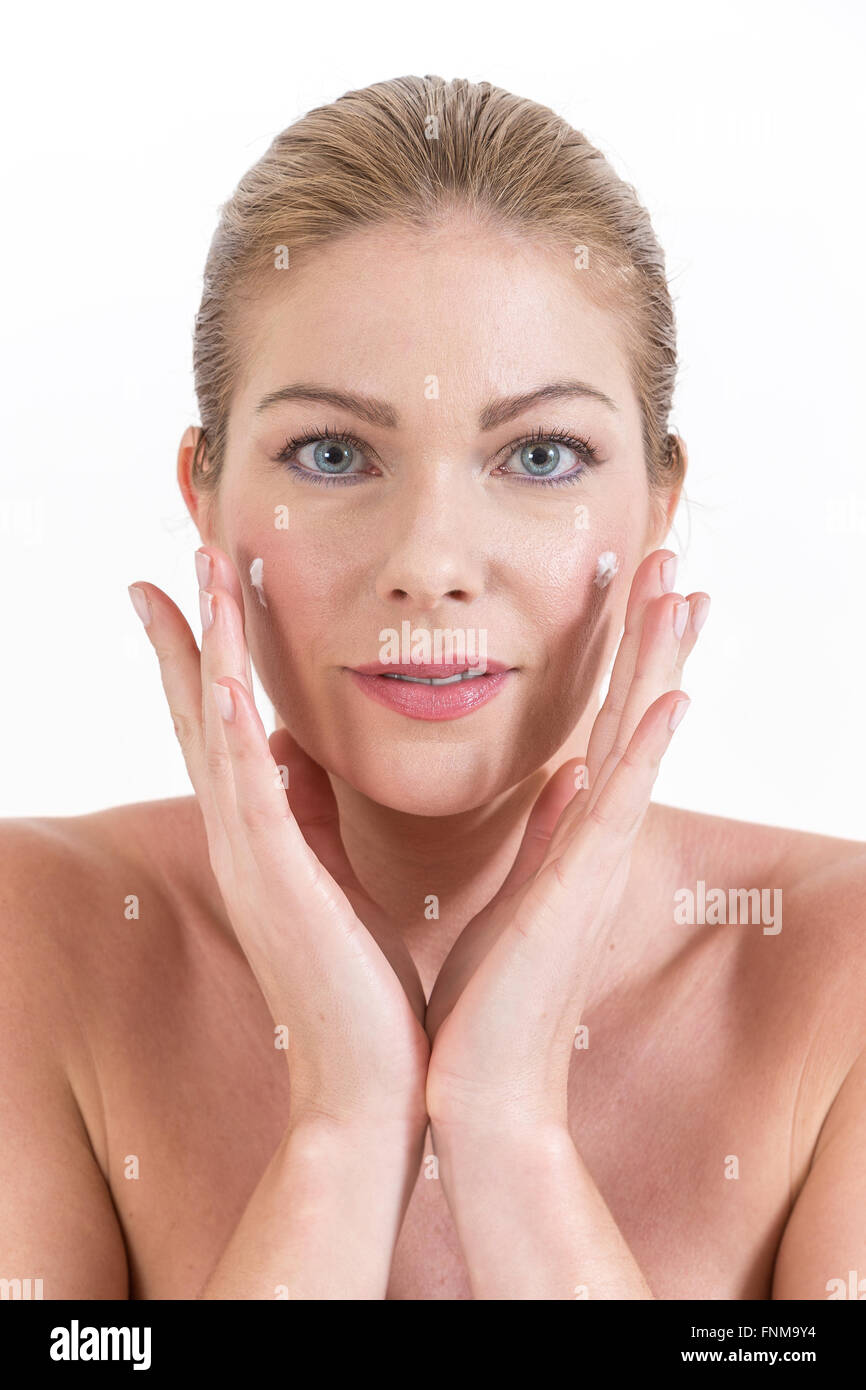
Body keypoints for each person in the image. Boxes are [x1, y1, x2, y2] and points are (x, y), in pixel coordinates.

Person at [2, 74, 864, 1301]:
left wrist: (506, 1127)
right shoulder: (28, 941)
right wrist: (343, 1131)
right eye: (333, 454)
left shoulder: (841, 977)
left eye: (539, 455)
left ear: (656, 504)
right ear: (206, 495)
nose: (428, 567)